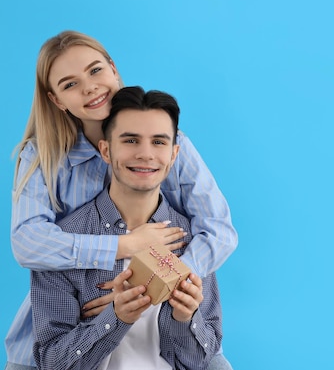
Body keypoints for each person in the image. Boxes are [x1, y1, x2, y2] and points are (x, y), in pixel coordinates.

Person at [6, 31, 237, 370]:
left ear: (114, 70)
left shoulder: (169, 146)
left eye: (96, 71)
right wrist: (124, 246)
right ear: (56, 100)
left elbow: (218, 230)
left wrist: (167, 279)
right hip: (69, 316)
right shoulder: (43, 156)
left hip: (164, 321)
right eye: (70, 85)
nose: (89, 87)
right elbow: (27, 243)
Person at [31, 86, 222, 370]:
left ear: (174, 154)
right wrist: (116, 318)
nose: (145, 154)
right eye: (130, 140)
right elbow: (52, 362)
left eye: (159, 142)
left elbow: (200, 362)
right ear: (106, 150)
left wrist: (187, 319)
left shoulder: (194, 242)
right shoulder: (63, 244)